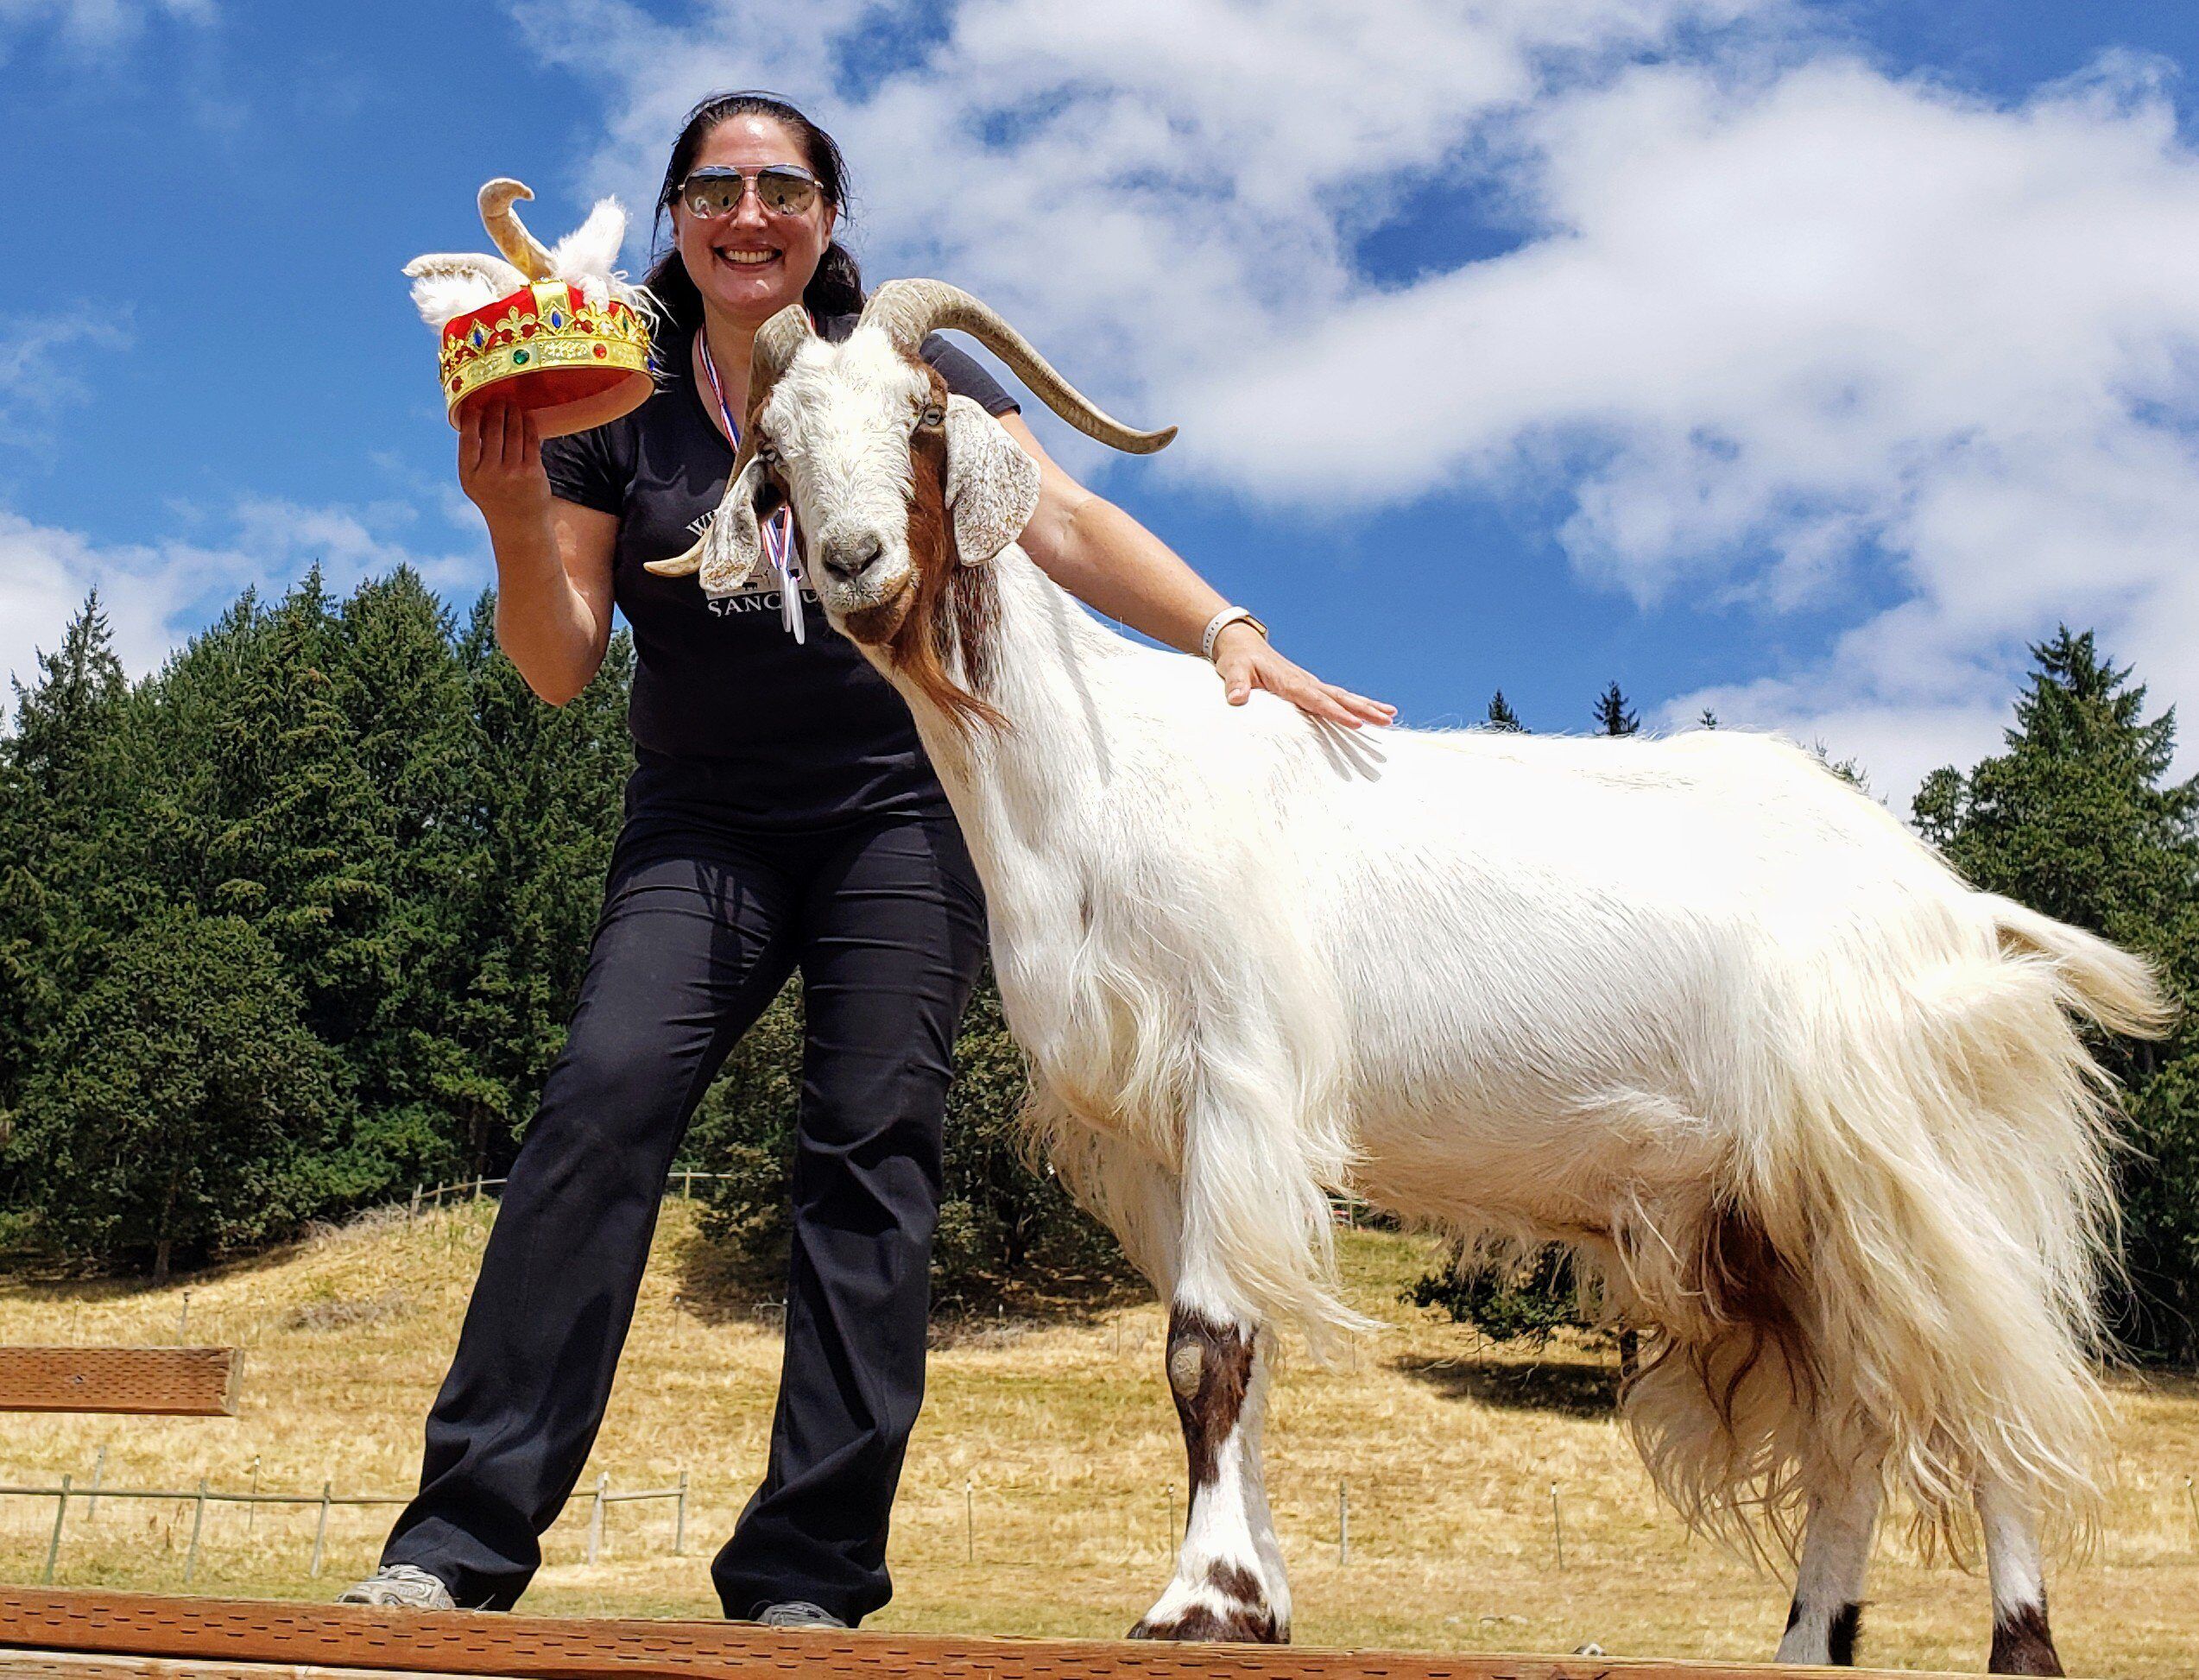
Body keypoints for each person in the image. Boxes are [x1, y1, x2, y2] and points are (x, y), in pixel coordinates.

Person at [341, 89, 1393, 1628]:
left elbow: (1067, 519)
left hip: (904, 805)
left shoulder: (905, 367)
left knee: (870, 1140)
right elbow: (561, 662)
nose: (747, 212)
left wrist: (1236, 632)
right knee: (601, 1108)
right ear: (674, 217)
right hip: (702, 816)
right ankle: (456, 1542)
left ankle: (806, 1577)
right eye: (713, 186)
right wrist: (511, 517)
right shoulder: (602, 384)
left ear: (829, 214)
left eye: (782, 186)